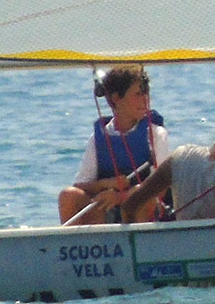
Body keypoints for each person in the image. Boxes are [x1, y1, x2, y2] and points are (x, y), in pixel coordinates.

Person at [58, 66, 169, 225]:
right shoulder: (97, 139)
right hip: (105, 208)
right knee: (68, 195)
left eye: (146, 93)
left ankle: (139, 245)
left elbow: (160, 187)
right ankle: (83, 246)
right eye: (138, 94)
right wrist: (107, 185)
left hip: (142, 208)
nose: (145, 100)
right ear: (116, 98)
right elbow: (81, 184)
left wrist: (119, 197)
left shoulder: (156, 134)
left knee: (139, 194)